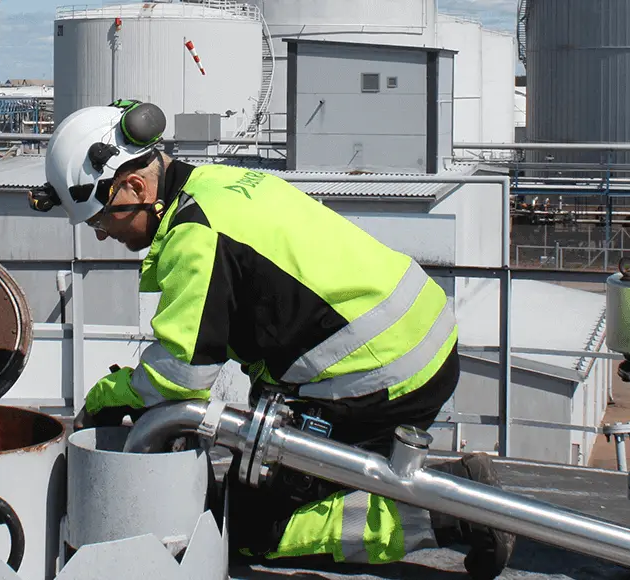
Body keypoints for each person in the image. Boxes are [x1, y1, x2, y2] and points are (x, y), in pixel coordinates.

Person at [32, 100, 516, 578]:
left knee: (249, 526)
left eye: (100, 220)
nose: (101, 236)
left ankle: (446, 514)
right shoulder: (220, 181)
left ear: (135, 186)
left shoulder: (195, 235)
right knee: (256, 468)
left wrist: (108, 395)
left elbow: (181, 377)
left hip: (382, 377)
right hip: (417, 339)